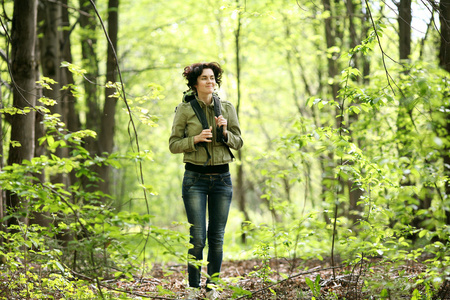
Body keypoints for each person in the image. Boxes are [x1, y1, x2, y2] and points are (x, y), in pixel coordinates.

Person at [169, 62, 243, 298]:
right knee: (198, 237)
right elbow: (173, 145)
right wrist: (196, 139)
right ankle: (192, 288)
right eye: (204, 78)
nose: (210, 82)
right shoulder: (184, 110)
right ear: (194, 83)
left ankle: (211, 289)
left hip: (222, 179)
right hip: (195, 180)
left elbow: (239, 142)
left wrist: (225, 133)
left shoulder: (228, 108)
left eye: (212, 78)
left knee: (217, 238)